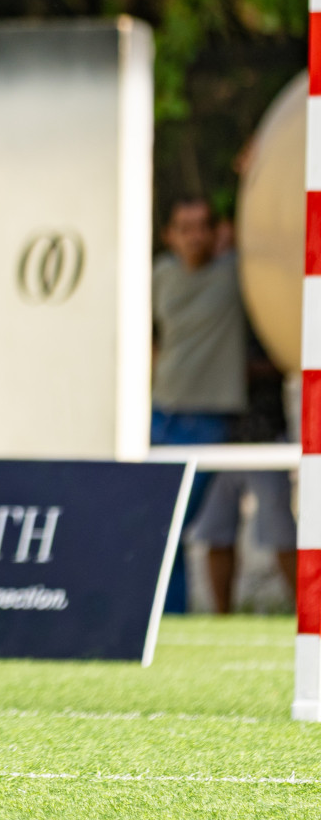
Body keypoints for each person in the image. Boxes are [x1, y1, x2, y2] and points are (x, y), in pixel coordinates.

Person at [152, 196, 295, 613]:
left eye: (203, 226)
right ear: (169, 236)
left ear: (217, 233)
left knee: (170, 522)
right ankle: (166, 617)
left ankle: (169, 618)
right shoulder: (161, 273)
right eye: (185, 228)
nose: (194, 236)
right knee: (157, 523)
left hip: (207, 421)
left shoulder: (235, 273)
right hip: (159, 414)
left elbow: (271, 242)